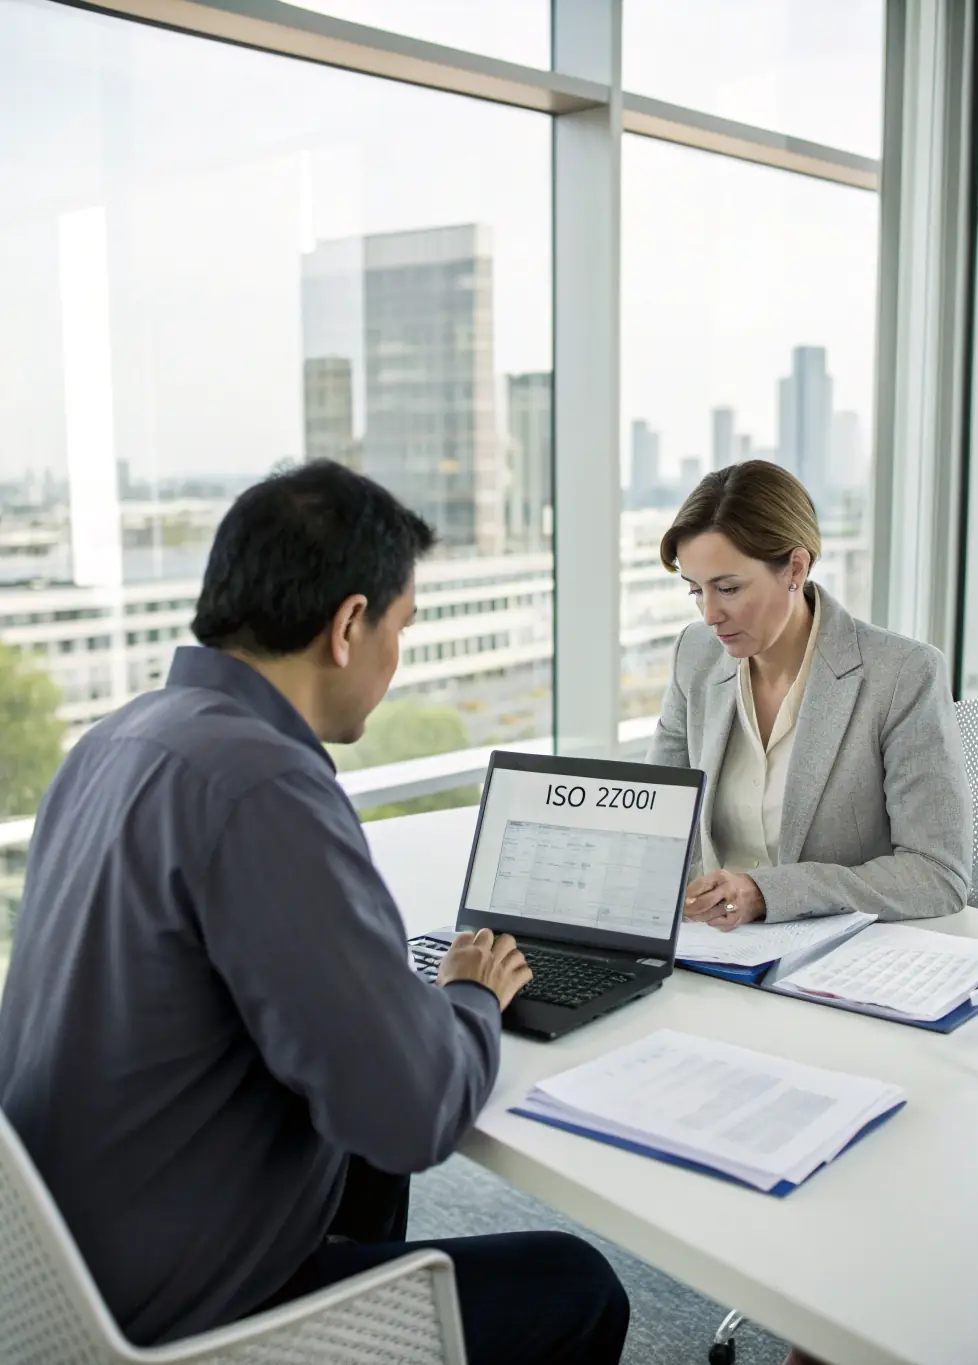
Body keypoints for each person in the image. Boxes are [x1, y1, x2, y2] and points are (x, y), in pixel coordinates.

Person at [0, 460, 629, 1365]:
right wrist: (470, 995)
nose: (395, 655)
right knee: (577, 1284)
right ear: (347, 625)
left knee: (363, 1155)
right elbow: (414, 1114)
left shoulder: (114, 740)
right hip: (183, 1322)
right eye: (400, 627)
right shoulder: (260, 784)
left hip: (57, 1279)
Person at [649, 459, 972, 932]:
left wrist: (766, 893)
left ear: (795, 568)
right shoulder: (694, 656)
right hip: (714, 949)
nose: (710, 614)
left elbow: (938, 874)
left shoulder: (901, 674)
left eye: (729, 588)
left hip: (840, 958)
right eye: (696, 591)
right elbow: (656, 817)